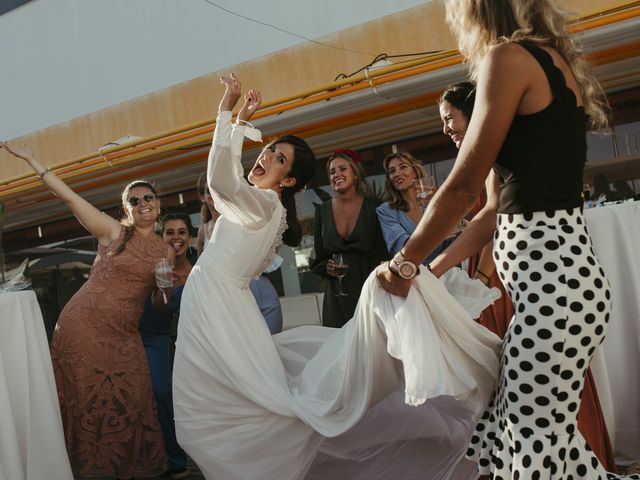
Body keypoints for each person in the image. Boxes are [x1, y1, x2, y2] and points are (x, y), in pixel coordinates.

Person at [172, 74, 503, 480]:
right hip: (218, 306)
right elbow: (229, 184)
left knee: (231, 413)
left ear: (289, 181)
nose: (265, 158)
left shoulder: (262, 203)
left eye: (278, 159)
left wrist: (228, 111)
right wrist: (240, 125)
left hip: (217, 309)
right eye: (270, 150)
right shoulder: (262, 205)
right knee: (225, 406)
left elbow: (220, 182)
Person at [378, 0, 639, 477]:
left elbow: (461, 188)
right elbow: (492, 211)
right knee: (540, 440)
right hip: (564, 284)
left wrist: (403, 263)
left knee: (529, 443)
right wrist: (430, 271)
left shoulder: (508, 59)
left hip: (553, 288)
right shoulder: (550, 63)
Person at [436, 80, 618, 471]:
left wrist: (422, 266)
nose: (446, 129)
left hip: (555, 297)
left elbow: (472, 204)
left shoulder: (514, 149)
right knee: (526, 427)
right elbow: (489, 213)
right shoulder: (501, 155)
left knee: (526, 430)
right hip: (539, 297)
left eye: (450, 119)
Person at [1, 142, 169, 477]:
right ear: (127, 209)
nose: (142, 203)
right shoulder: (114, 232)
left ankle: (126, 467)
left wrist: (163, 294)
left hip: (125, 335)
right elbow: (70, 199)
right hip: (84, 328)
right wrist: (34, 160)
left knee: (133, 396)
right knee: (88, 403)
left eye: (147, 197)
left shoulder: (165, 250)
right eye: (133, 200)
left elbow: (155, 302)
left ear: (158, 204)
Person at [139, 212, 193, 480]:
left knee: (170, 393)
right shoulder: (154, 265)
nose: (175, 238)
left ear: (190, 238)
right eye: (169, 232)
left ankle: (179, 457)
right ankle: (161, 458)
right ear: (162, 237)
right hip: (140, 333)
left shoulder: (197, 275)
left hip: (173, 338)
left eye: (181, 232)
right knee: (151, 393)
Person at [311, 149, 389, 328]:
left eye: (342, 169)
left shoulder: (375, 207)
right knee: (339, 348)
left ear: (355, 173)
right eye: (332, 172)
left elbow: (384, 252)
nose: (336, 174)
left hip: (370, 289)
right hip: (336, 296)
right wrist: (327, 268)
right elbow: (318, 260)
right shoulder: (322, 212)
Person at [196, 172, 283, 333]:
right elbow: (201, 269)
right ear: (204, 197)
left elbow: (270, 244)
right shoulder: (203, 229)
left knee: (274, 343)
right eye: (211, 190)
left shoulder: (241, 219)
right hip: (229, 299)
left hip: (261, 289)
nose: (218, 194)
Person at [376, 150, 454, 265]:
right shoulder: (386, 210)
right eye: (392, 171)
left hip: (448, 267)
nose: (397, 173)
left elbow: (454, 237)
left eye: (403, 167)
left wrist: (440, 205)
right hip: (414, 272)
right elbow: (404, 248)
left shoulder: (435, 201)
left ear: (415, 172)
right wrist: (439, 237)